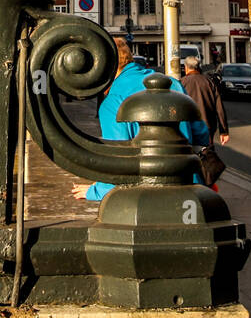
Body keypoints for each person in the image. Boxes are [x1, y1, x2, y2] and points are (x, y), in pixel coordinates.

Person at [71, 36, 210, 203]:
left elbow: (118, 159)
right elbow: (202, 134)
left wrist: (97, 190)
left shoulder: (113, 102)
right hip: (191, 189)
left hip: (150, 198)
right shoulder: (172, 83)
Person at [182, 56, 229, 147]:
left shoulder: (182, 83)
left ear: (186, 68)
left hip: (188, 129)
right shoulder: (209, 82)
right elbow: (219, 108)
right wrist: (224, 131)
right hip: (207, 127)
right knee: (208, 156)